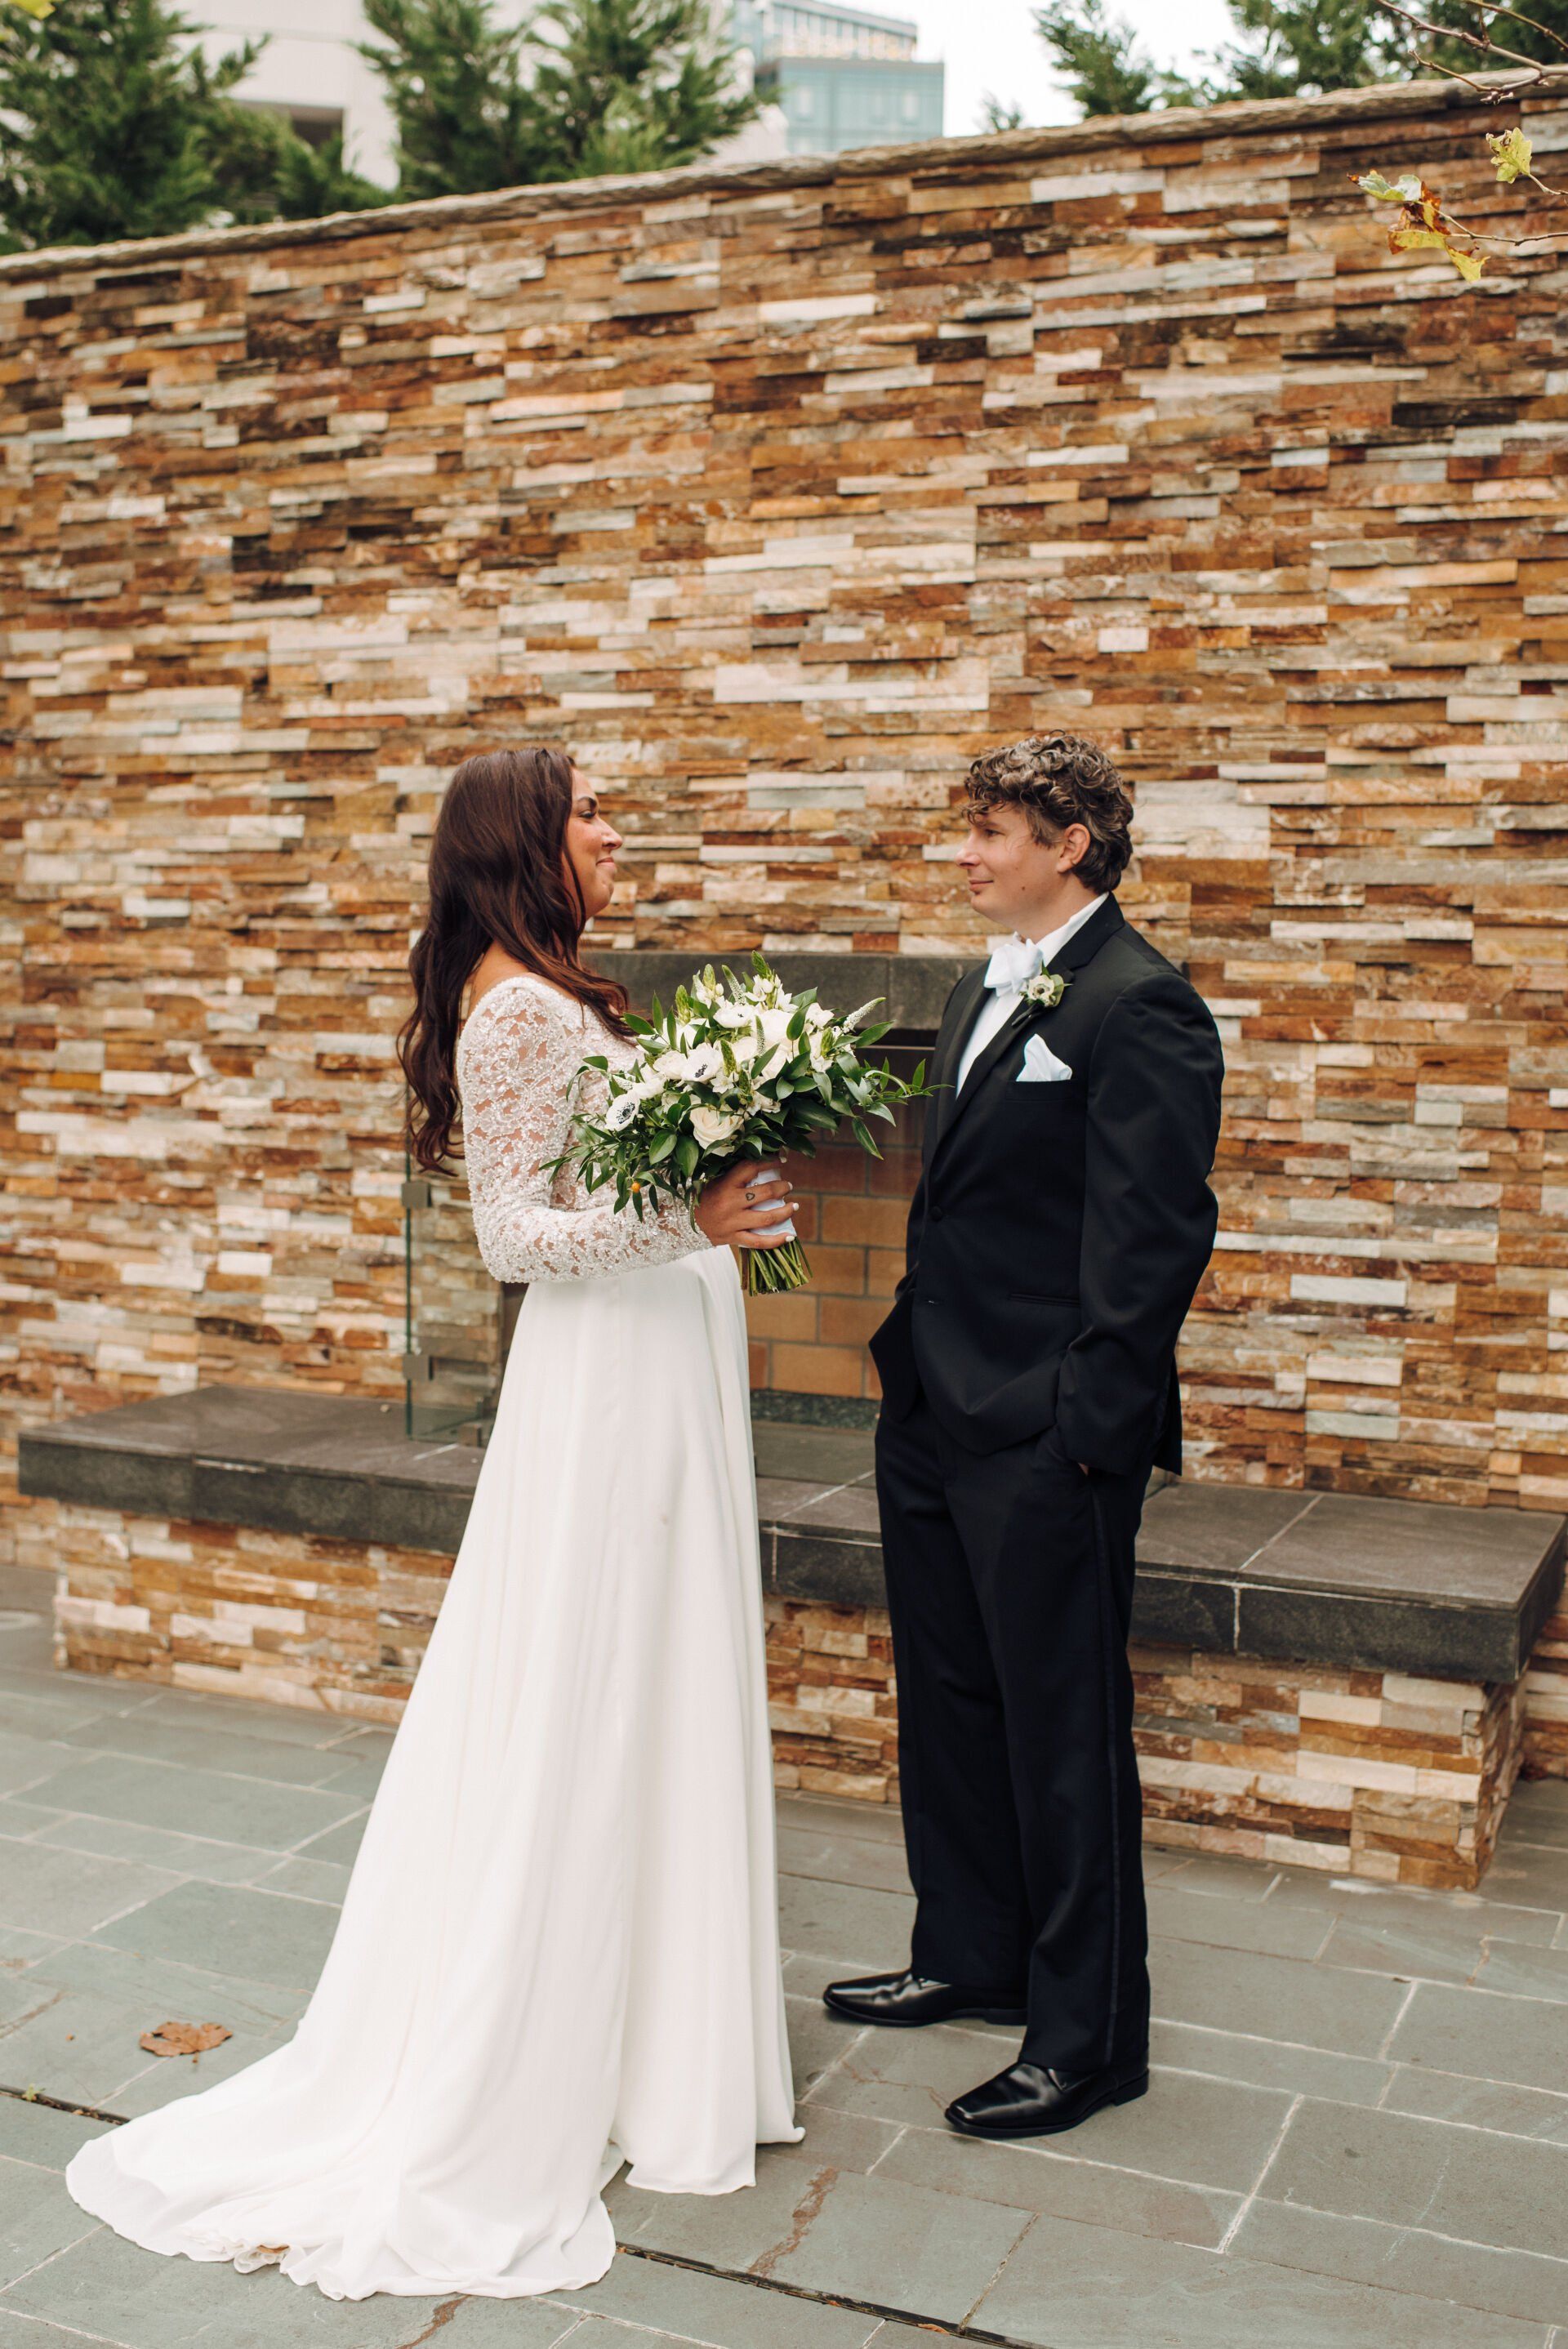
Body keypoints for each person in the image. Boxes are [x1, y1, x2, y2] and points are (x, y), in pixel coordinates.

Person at [65, 744, 805, 2299]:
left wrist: (701, 1191)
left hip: (651, 1365)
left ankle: (656, 2044)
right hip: (606, 1386)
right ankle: (562, 2056)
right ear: (529, 840)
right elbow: (516, 1237)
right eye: (590, 811)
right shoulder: (519, 1008)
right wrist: (694, 1216)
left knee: (648, 1682)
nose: (615, 830)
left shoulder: (552, 989)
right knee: (600, 1689)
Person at [825, 733, 1223, 2141]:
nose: (967, 853)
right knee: (949, 1699)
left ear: (1071, 844)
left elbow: (1154, 1240)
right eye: (970, 828)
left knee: (1065, 1737)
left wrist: (1085, 1435)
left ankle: (1087, 2042)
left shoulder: (1141, 1004)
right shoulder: (977, 986)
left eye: (992, 831)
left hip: (1047, 1435)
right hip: (935, 1410)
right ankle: (971, 1954)